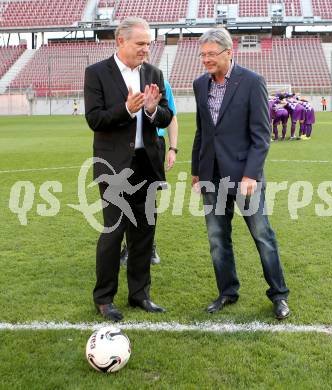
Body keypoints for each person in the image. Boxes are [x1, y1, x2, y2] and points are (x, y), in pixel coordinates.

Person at [191, 28, 290, 320]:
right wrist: (196, 170)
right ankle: (227, 291)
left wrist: (251, 175)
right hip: (212, 176)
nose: (206, 59)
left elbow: (262, 136)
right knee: (218, 239)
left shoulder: (253, 82)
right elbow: (202, 131)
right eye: (203, 55)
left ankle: (279, 295)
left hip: (245, 177)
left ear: (228, 52)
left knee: (263, 236)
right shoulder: (200, 85)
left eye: (211, 54)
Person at [84, 17, 173, 321]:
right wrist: (126, 110)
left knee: (144, 233)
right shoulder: (96, 73)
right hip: (113, 167)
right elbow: (94, 119)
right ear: (120, 41)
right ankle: (104, 299)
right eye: (140, 43)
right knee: (113, 232)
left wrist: (151, 110)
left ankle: (140, 295)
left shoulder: (154, 73)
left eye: (148, 43)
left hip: (146, 165)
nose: (146, 49)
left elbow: (166, 115)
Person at [120, 79, 178, 266]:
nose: (144, 51)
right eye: (140, 47)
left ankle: (149, 245)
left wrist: (173, 148)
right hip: (126, 145)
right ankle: (129, 246)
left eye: (146, 47)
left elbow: (172, 116)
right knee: (125, 197)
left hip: (153, 146)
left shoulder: (161, 82)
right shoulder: (121, 78)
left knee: (148, 199)